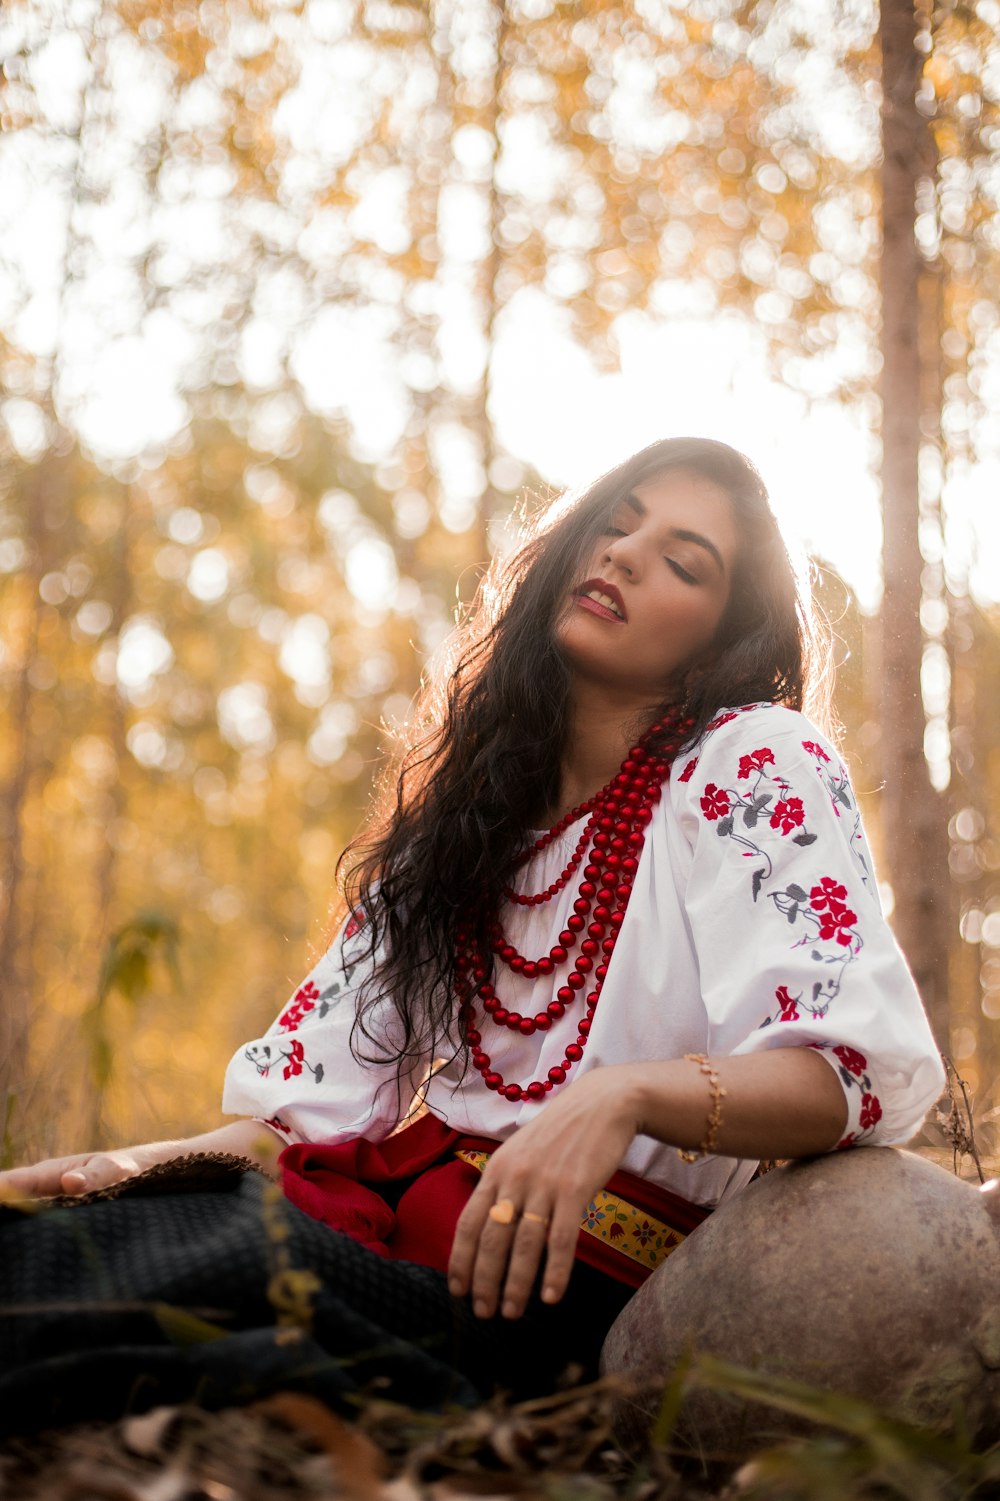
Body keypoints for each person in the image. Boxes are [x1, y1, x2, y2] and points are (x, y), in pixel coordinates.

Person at [0, 437, 943, 1430]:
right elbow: (296, 1121)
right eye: (615, 524)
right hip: (379, 1243)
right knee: (103, 1237)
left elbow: (852, 1072)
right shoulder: (458, 828)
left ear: (721, 636)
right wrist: (115, 1174)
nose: (622, 554)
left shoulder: (750, 761)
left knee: (225, 1272)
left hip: (558, 1302)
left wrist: (618, 1099)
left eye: (682, 560)